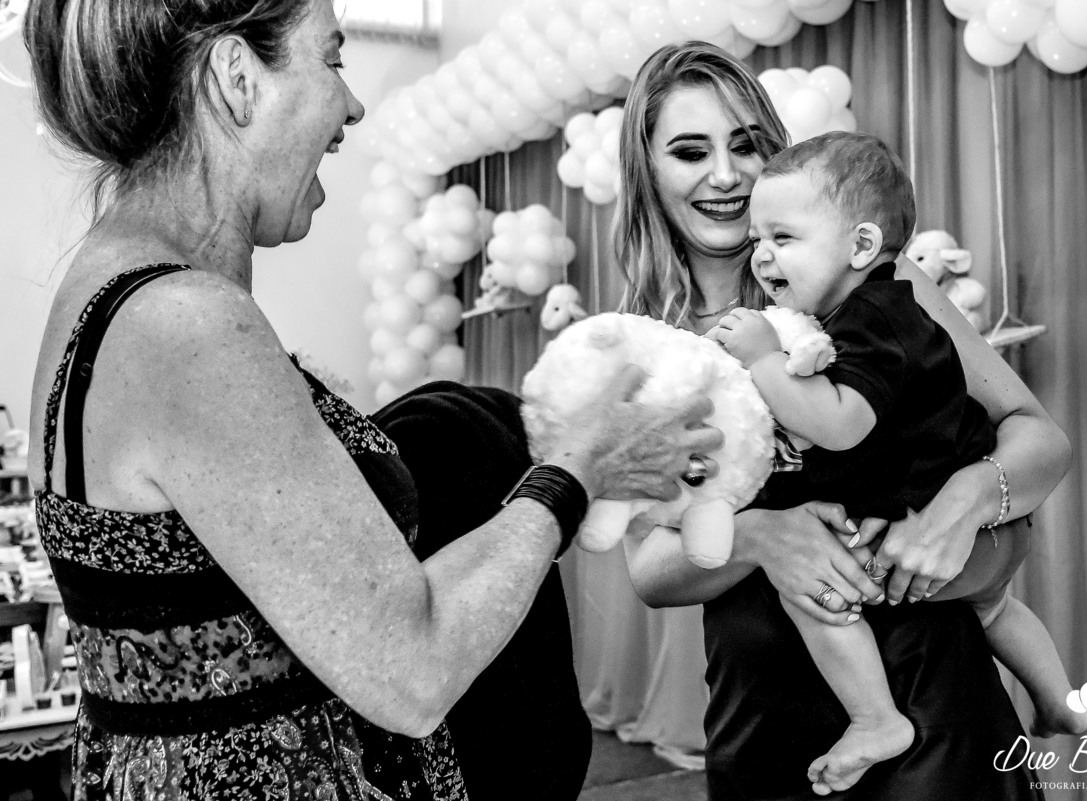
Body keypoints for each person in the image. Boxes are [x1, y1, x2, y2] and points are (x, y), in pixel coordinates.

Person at [21, 3, 722, 799]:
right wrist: (577, 470)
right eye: (332, 59)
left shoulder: (104, 283)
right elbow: (411, 668)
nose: (351, 105)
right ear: (235, 77)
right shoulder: (185, 322)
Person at [616, 42, 1072, 800]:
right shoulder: (639, 343)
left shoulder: (876, 283)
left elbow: (1039, 438)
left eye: (746, 145)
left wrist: (960, 505)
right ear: (648, 171)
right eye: (690, 152)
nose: (725, 176)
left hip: (928, 700)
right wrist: (761, 535)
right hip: (761, 710)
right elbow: (650, 571)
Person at [707, 131, 1087, 795]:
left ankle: (876, 718)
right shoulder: (875, 312)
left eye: (783, 238)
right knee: (994, 609)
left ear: (860, 246)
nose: (762, 254)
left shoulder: (873, 319)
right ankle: (1058, 700)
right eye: (757, 239)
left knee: (815, 591)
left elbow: (841, 425)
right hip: (978, 538)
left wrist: (764, 358)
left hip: (932, 531)